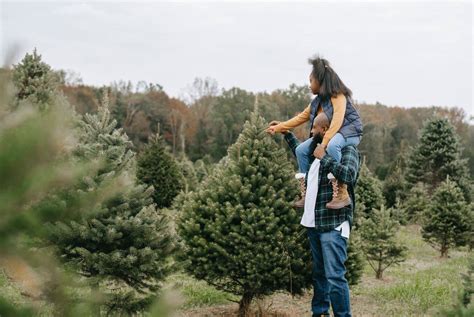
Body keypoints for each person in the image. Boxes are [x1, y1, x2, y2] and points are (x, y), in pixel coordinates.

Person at [284, 112, 361, 317]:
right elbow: (299, 152)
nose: (311, 131)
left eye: (314, 128)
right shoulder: (318, 152)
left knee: (335, 276)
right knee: (319, 275)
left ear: (325, 130)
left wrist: (325, 158)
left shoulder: (346, 149)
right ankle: (320, 312)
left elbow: (349, 175)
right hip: (313, 223)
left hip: (333, 224)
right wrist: (287, 133)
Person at [266, 56, 362, 209]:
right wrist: (279, 128)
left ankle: (342, 194)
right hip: (329, 136)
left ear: (320, 81)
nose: (309, 85)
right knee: (301, 150)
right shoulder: (316, 103)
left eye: (311, 81)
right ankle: (307, 194)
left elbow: (337, 122)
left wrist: (323, 145)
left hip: (349, 133)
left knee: (332, 146)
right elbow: (300, 118)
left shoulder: (338, 96)